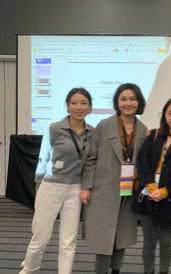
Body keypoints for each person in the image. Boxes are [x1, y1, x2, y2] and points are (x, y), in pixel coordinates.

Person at [19, 88, 93, 274]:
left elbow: (92, 162)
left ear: (90, 107)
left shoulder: (93, 132)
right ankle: (29, 268)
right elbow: (43, 159)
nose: (78, 107)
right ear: (68, 106)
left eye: (83, 103)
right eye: (74, 102)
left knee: (69, 240)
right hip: (51, 187)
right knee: (41, 236)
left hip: (75, 189)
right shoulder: (54, 128)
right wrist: (38, 187)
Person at [80, 83, 147, 274]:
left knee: (121, 234)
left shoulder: (143, 129)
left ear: (139, 102)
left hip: (128, 190)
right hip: (104, 189)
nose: (128, 103)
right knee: (104, 235)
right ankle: (100, 271)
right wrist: (86, 186)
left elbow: (145, 161)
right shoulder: (104, 125)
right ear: (117, 102)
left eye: (132, 99)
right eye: (123, 99)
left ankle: (116, 269)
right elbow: (90, 158)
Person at [131, 97, 171, 274]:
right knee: (149, 241)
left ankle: (164, 271)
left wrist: (164, 191)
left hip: (170, 198)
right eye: (169, 113)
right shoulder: (155, 135)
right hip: (148, 194)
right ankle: (148, 271)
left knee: (166, 241)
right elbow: (143, 163)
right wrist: (151, 188)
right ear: (164, 114)